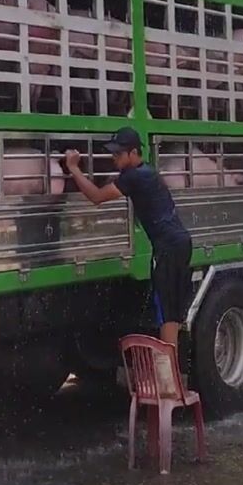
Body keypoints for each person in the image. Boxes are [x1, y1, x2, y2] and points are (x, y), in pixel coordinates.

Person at [65, 127, 192, 351]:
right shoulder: (145, 171)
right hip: (179, 243)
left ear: (133, 153)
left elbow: (96, 197)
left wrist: (74, 168)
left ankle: (168, 369)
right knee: (171, 311)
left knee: (166, 312)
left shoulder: (134, 177)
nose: (114, 158)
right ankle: (171, 367)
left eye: (118, 154)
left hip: (168, 247)